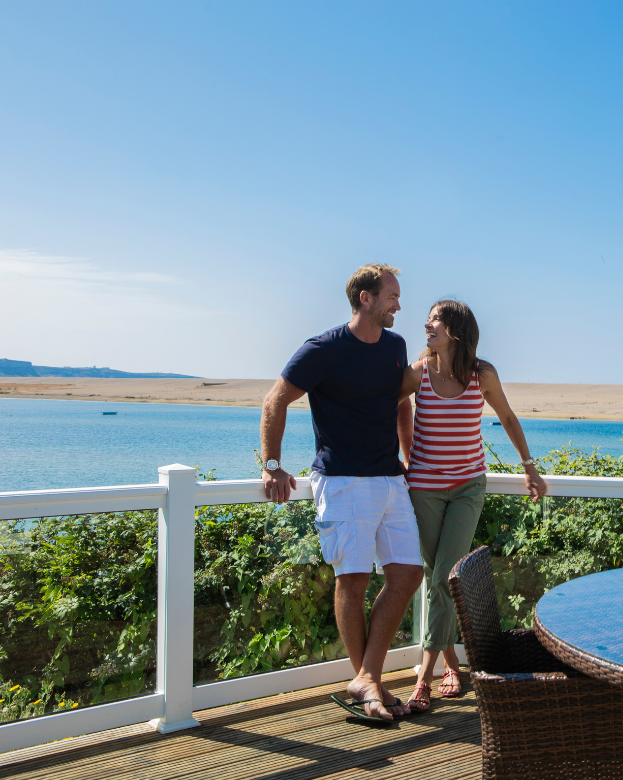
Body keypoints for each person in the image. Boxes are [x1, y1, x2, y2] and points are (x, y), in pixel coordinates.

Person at [260, 263, 423, 722]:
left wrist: (408, 460)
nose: (398, 304)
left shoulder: (395, 346)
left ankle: (366, 677)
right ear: (365, 298)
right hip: (343, 481)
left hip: (390, 480)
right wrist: (272, 465)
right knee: (352, 580)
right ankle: (369, 683)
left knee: (408, 574)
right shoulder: (323, 349)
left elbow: (401, 403)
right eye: (391, 295)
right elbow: (275, 400)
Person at [399, 300, 547, 712]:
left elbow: (509, 417)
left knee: (446, 573)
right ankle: (452, 665)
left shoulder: (482, 374)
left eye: (435, 320)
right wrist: (406, 456)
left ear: (456, 330)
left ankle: (422, 680)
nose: (426, 324)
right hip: (424, 487)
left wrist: (529, 468)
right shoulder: (419, 371)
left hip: (467, 487)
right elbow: (394, 404)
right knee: (436, 575)